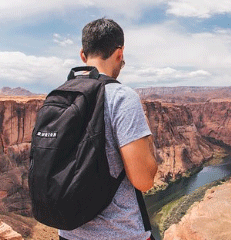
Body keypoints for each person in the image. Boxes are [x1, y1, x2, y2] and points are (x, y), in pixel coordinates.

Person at [58, 18, 158, 240]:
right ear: (119, 53)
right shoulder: (121, 97)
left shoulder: (60, 96)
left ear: (82, 55)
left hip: (68, 233)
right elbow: (144, 181)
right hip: (120, 234)